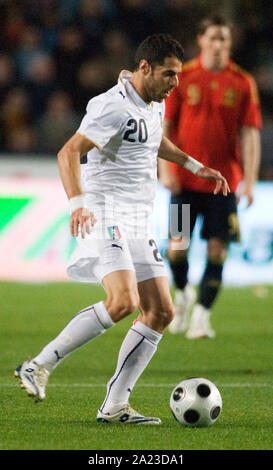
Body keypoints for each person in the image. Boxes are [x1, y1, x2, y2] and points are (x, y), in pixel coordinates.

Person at [14, 34, 229, 424]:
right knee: (123, 301)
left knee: (160, 311)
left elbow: (153, 141)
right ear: (144, 68)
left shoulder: (152, 103)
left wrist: (196, 166)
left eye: (178, 76)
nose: (175, 84)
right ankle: (38, 364)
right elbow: (69, 152)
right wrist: (78, 204)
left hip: (136, 217)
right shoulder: (109, 105)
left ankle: (115, 405)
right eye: (169, 74)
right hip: (103, 211)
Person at [158, 16, 262, 339]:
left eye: (224, 40)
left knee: (218, 251)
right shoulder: (183, 76)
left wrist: (250, 178)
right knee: (177, 249)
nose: (219, 45)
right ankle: (184, 293)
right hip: (184, 182)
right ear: (201, 40)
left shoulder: (242, 82)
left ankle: (202, 316)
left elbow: (249, 133)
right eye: (214, 38)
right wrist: (165, 168)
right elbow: (166, 126)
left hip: (224, 183)